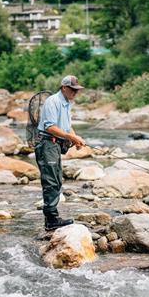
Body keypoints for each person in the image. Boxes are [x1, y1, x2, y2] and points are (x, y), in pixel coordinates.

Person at [35, 75, 86, 231]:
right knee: (51, 181)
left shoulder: (67, 103)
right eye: (73, 90)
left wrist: (76, 138)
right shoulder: (53, 102)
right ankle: (51, 220)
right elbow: (49, 127)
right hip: (46, 143)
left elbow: (66, 126)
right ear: (64, 88)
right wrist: (70, 137)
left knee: (57, 179)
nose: (75, 93)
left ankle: (52, 217)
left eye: (77, 90)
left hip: (55, 145)